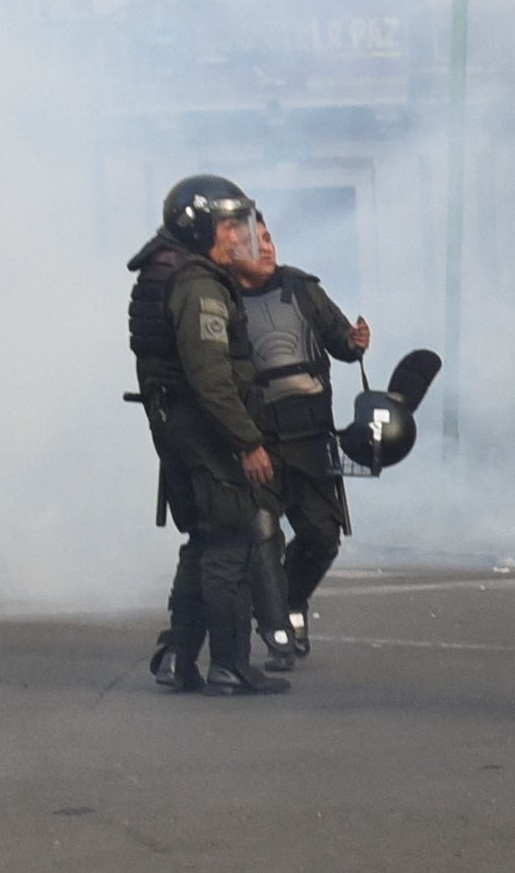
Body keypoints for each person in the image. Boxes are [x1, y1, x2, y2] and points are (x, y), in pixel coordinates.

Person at [131, 175, 289, 696]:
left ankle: (178, 658)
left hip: (180, 426)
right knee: (230, 540)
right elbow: (211, 376)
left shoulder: (170, 268)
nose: (238, 236)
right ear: (199, 227)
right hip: (207, 430)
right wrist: (247, 442)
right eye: (228, 226)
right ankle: (230, 664)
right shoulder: (198, 285)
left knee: (202, 540)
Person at [239, 214, 369, 666]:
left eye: (269, 237)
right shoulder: (221, 299)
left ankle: (292, 601)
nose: (266, 247)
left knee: (321, 536)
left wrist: (355, 341)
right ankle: (278, 630)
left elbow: (340, 343)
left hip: (312, 439)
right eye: (255, 242)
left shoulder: (301, 288)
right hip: (258, 443)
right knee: (262, 537)